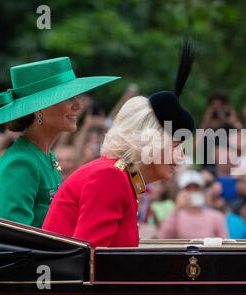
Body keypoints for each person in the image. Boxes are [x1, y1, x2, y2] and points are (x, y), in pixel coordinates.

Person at [43, 39, 196, 248]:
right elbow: (89, 260)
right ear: (152, 142)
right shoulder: (111, 177)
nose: (180, 157)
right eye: (176, 145)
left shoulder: (123, 177)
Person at [0, 57, 120, 227]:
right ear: (40, 109)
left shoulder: (46, 155)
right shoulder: (21, 162)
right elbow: (17, 238)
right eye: (68, 98)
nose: (78, 106)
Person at [157, 170, 228, 239]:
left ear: (202, 191)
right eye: (188, 188)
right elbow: (162, 237)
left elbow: (224, 245)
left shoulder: (216, 217)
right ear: (180, 192)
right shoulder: (176, 216)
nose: (193, 191)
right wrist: (176, 208)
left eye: (196, 188)